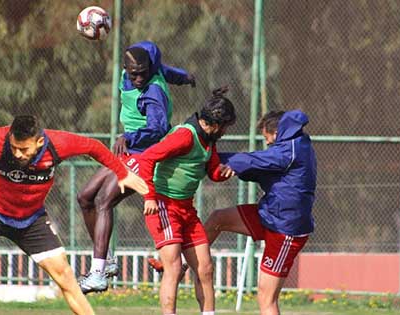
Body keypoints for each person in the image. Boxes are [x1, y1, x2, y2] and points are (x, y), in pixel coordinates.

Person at [0, 115, 148, 315]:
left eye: (24, 149)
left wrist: (122, 173)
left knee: (65, 276)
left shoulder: (58, 143)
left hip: (31, 219)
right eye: (14, 147)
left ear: (40, 142)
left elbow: (94, 147)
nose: (17, 154)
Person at [76, 40, 195, 294]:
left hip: (144, 153)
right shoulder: (143, 69)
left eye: (143, 73)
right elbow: (168, 70)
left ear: (149, 68)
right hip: (128, 149)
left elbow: (158, 128)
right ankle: (106, 262)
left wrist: (129, 137)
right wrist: (186, 77)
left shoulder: (153, 92)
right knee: (85, 196)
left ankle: (97, 274)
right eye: (134, 74)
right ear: (127, 69)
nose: (139, 78)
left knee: (104, 201)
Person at [202, 110, 316, 315]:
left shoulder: (290, 149)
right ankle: (187, 262)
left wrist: (222, 160)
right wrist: (214, 161)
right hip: (270, 214)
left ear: (278, 132)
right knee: (217, 219)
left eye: (267, 138)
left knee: (266, 297)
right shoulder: (292, 147)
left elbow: (257, 161)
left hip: (285, 229)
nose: (268, 143)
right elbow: (261, 168)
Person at [138, 87, 236, 315]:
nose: (225, 132)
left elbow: (212, 172)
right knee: (172, 267)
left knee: (205, 267)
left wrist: (224, 173)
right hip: (164, 206)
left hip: (186, 210)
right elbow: (148, 158)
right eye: (226, 127)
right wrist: (150, 196)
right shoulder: (185, 136)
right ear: (215, 124)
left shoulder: (209, 140)